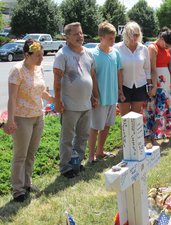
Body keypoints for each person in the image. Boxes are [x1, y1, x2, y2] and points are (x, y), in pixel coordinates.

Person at [5, 39, 54, 202]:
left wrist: (55, 101)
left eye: (42, 54)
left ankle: (27, 183)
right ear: (27, 55)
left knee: (31, 153)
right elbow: (11, 98)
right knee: (20, 155)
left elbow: (41, 92)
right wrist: (10, 120)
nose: (42, 58)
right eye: (38, 55)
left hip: (38, 116)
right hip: (22, 119)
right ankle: (18, 190)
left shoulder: (39, 68)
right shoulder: (17, 70)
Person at [53, 22, 99, 178]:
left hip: (86, 104)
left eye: (81, 33)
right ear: (67, 37)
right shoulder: (62, 54)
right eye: (75, 34)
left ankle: (77, 163)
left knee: (82, 136)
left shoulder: (88, 53)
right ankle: (65, 168)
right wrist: (57, 102)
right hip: (69, 106)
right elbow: (57, 81)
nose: (80, 36)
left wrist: (95, 96)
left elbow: (92, 76)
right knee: (67, 138)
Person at [88, 21, 124, 162]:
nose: (113, 41)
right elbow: (91, 76)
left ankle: (100, 151)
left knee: (107, 125)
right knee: (95, 127)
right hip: (99, 98)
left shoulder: (115, 52)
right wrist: (94, 96)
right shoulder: (92, 54)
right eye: (110, 38)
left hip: (112, 96)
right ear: (101, 37)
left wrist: (120, 90)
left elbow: (119, 72)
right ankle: (91, 156)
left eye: (114, 38)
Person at [143, 27, 171, 142]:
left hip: (165, 82)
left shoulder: (166, 48)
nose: (169, 48)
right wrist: (154, 86)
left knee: (163, 108)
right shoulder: (153, 47)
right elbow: (152, 69)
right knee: (155, 108)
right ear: (161, 38)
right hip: (157, 81)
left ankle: (159, 133)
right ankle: (151, 135)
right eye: (167, 45)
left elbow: (168, 65)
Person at [114, 21, 151, 116]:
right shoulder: (117, 48)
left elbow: (147, 69)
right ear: (125, 34)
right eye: (130, 34)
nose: (133, 37)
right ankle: (124, 132)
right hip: (123, 86)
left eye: (136, 35)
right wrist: (118, 88)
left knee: (136, 117)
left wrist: (150, 86)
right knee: (125, 118)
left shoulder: (144, 49)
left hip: (140, 86)